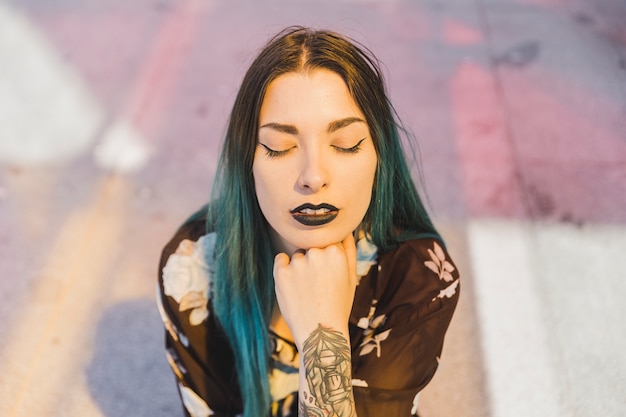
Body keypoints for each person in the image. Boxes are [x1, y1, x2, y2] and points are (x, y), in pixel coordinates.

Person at [157, 26, 460, 417]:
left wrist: (323, 334)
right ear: (246, 161)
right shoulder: (194, 267)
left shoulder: (418, 278)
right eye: (280, 148)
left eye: (346, 144)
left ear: (378, 156)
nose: (313, 176)